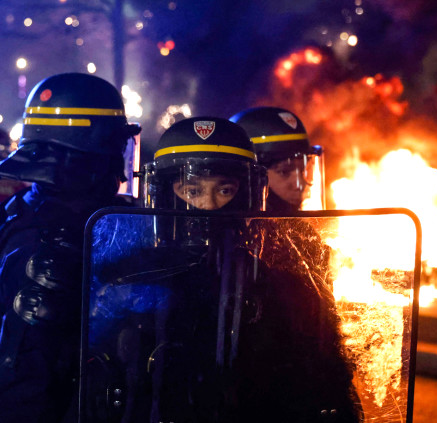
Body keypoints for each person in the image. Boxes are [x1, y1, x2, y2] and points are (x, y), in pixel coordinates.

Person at [85, 117, 361, 422]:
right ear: (166, 192)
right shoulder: (128, 278)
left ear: (246, 193)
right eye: (192, 191)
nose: (208, 205)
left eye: (225, 190)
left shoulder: (282, 286)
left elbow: (321, 385)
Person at [0, 73, 141, 423]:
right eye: (117, 148)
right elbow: (25, 386)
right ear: (95, 154)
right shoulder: (46, 240)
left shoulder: (31, 210)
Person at [230, 106, 325, 212]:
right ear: (247, 178)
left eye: (304, 170)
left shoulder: (299, 227)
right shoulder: (232, 228)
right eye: (284, 172)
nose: (301, 185)